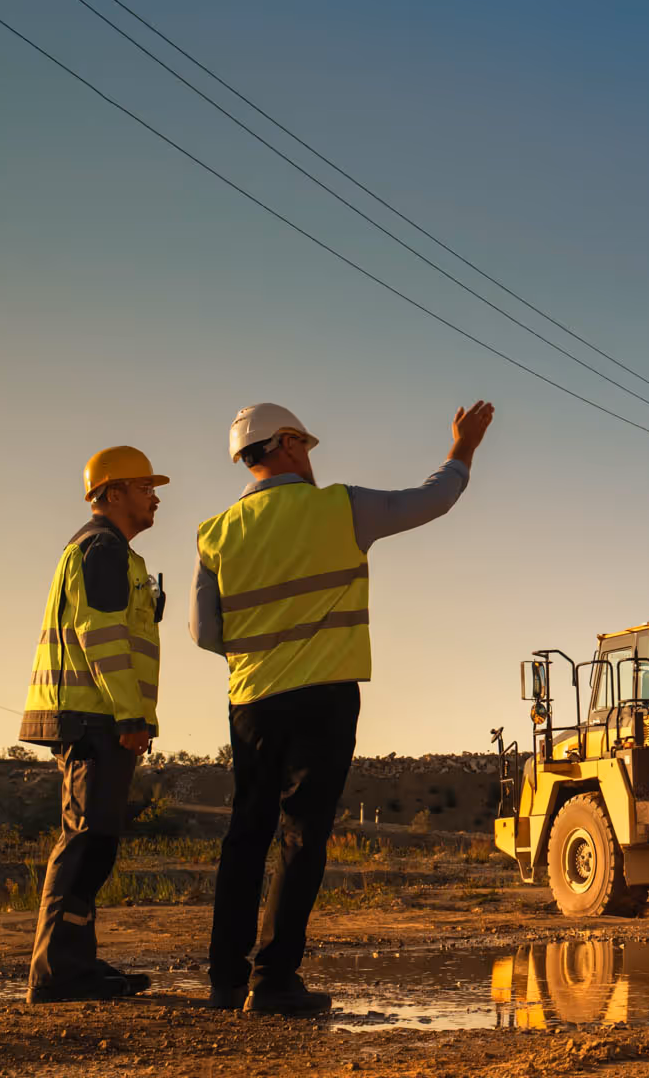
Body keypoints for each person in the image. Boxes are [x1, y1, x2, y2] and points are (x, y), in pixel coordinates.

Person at [193, 400, 493, 1014]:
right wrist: (462, 449)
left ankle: (224, 981)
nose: (309, 455)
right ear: (286, 445)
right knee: (301, 836)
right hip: (323, 698)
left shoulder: (214, 533)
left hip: (250, 699)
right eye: (303, 443)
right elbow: (431, 499)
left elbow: (204, 632)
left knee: (245, 835)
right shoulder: (339, 507)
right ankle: (272, 981)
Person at [20, 446, 167, 1003]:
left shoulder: (116, 554)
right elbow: (100, 638)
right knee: (87, 839)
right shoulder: (102, 548)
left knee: (95, 838)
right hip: (96, 715)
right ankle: (58, 971)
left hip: (99, 714)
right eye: (144, 486)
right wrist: (130, 714)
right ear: (112, 493)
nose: (155, 497)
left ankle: (74, 963)